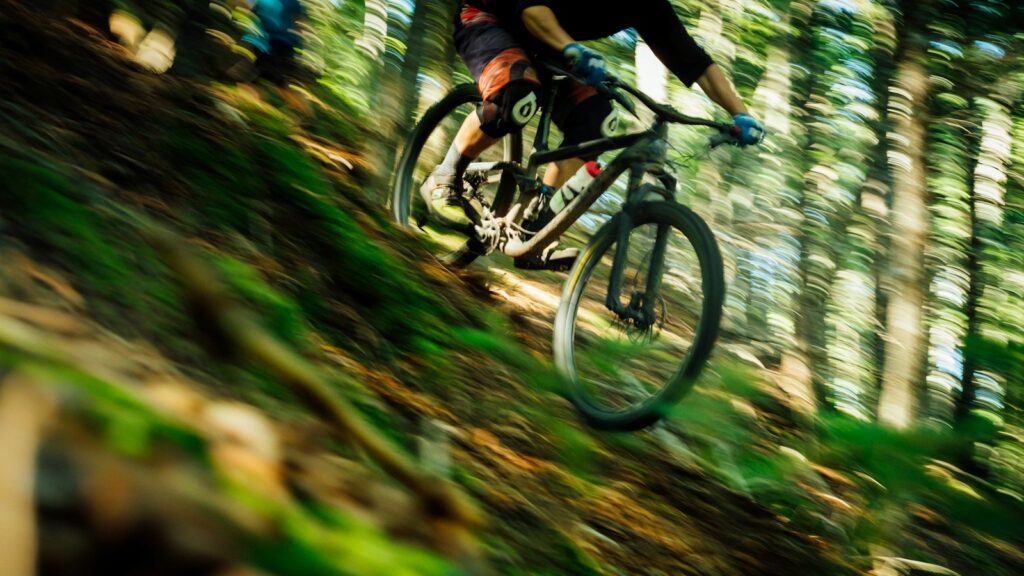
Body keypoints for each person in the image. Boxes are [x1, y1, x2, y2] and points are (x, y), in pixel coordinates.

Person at [425, 0, 765, 269]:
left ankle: (536, 227)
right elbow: (530, 8)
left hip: (549, 44)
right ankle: (446, 176)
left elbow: (696, 63)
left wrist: (741, 114)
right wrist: (571, 48)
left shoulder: (649, 6)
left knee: (597, 122)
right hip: (491, 18)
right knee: (517, 99)